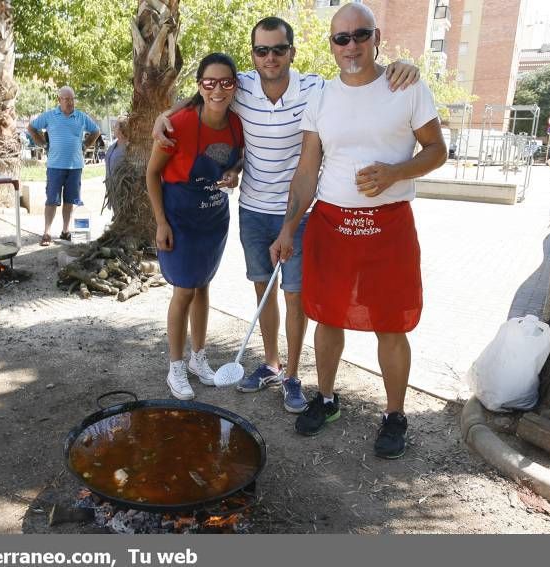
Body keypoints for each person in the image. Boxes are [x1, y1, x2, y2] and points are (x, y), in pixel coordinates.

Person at [153, 17, 420, 414]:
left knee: (296, 295)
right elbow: (204, 92)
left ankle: (293, 376)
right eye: (262, 50)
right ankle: (271, 363)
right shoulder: (239, 86)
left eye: (279, 49)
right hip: (253, 209)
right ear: (253, 55)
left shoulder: (315, 88)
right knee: (263, 291)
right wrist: (164, 114)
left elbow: (359, 76)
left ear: (292, 52)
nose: (271, 57)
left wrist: (403, 66)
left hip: (302, 212)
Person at [270, 3, 446, 459]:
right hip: (331, 224)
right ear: (331, 45)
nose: (350, 46)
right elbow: (308, 168)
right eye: (340, 39)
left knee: (392, 322)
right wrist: (290, 226)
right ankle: (326, 399)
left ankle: (394, 414)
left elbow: (437, 150)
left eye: (359, 35)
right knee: (326, 316)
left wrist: (395, 172)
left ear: (376, 37)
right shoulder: (321, 96)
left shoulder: (406, 86)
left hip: (389, 227)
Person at [146, 53, 245, 400]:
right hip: (180, 218)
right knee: (184, 291)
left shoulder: (238, 123)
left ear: (235, 86)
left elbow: (237, 160)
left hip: (214, 219)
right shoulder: (179, 123)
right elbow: (152, 173)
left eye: (226, 82)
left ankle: (198, 360)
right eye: (210, 82)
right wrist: (161, 222)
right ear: (199, 85)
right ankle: (175, 367)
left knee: (203, 287)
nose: (218, 89)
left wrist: (233, 174)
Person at [28, 86, 100, 246]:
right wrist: (42, 143)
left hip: (75, 166)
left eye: (72, 99)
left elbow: (96, 131)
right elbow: (31, 128)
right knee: (52, 200)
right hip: (55, 165)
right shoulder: (50, 115)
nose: (70, 102)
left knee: (70, 200)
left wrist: (86, 144)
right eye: (66, 99)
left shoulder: (81, 116)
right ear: (59, 100)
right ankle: (47, 232)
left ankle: (65, 231)